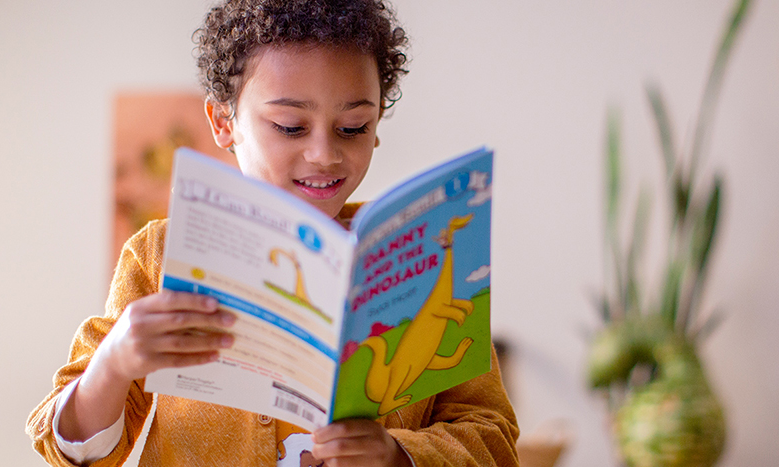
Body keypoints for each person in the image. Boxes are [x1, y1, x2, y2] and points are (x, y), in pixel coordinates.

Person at [26, 1, 520, 466]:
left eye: (353, 127)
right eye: (289, 126)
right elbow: (66, 448)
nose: (325, 154)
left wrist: (398, 455)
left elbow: (493, 435)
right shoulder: (157, 255)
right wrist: (113, 365)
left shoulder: (424, 247)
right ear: (224, 122)